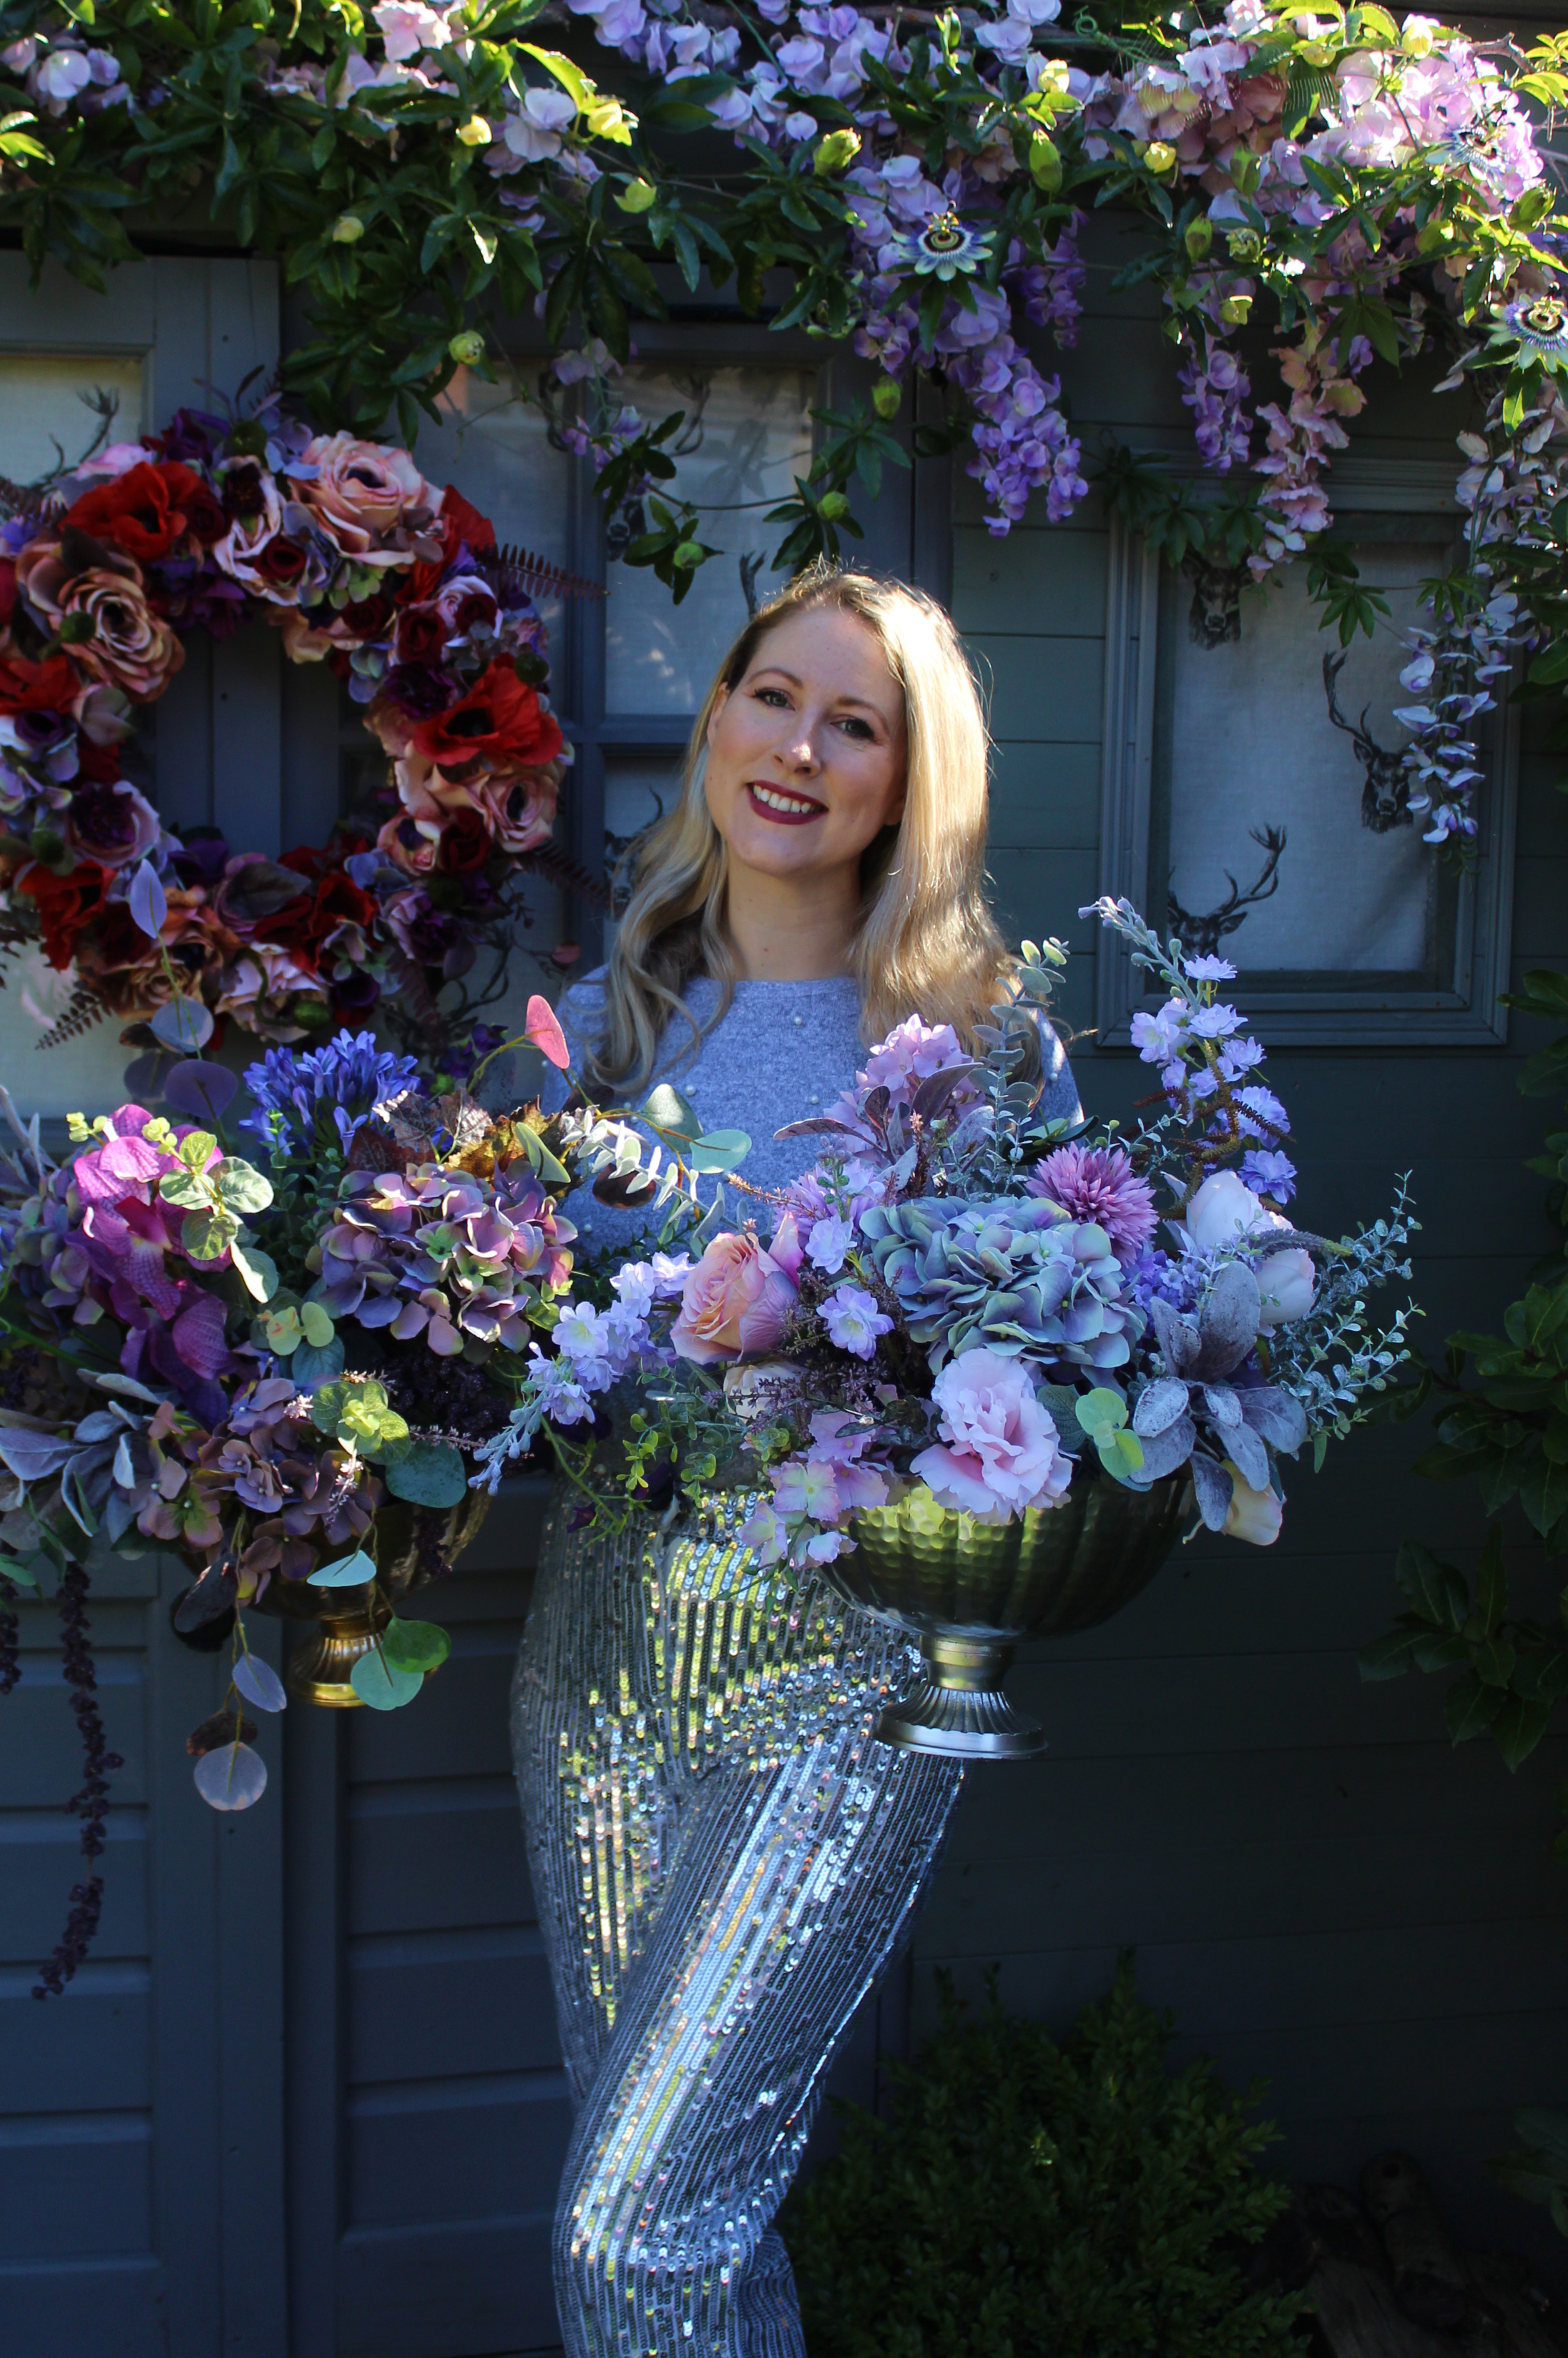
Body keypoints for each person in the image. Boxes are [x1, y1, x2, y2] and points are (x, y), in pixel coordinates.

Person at [510, 565, 1079, 2357]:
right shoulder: (587, 1030)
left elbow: (1044, 1390)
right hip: (589, 1672)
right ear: (716, 719)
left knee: (628, 2242)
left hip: (832, 1691)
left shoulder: (974, 1052)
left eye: (857, 723)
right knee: (700, 2219)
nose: (799, 749)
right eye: (773, 695)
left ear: (910, 784)